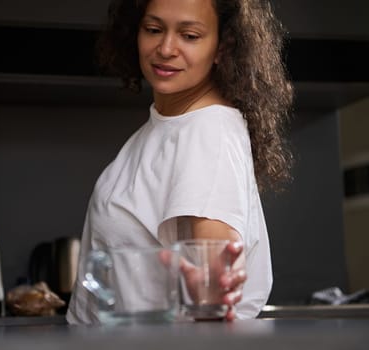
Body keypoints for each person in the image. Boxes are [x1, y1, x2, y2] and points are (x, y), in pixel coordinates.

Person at [67, 0, 293, 324]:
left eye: (189, 35)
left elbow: (211, 288)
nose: (166, 48)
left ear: (222, 47)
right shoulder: (167, 126)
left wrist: (211, 291)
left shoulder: (207, 131)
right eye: (154, 30)